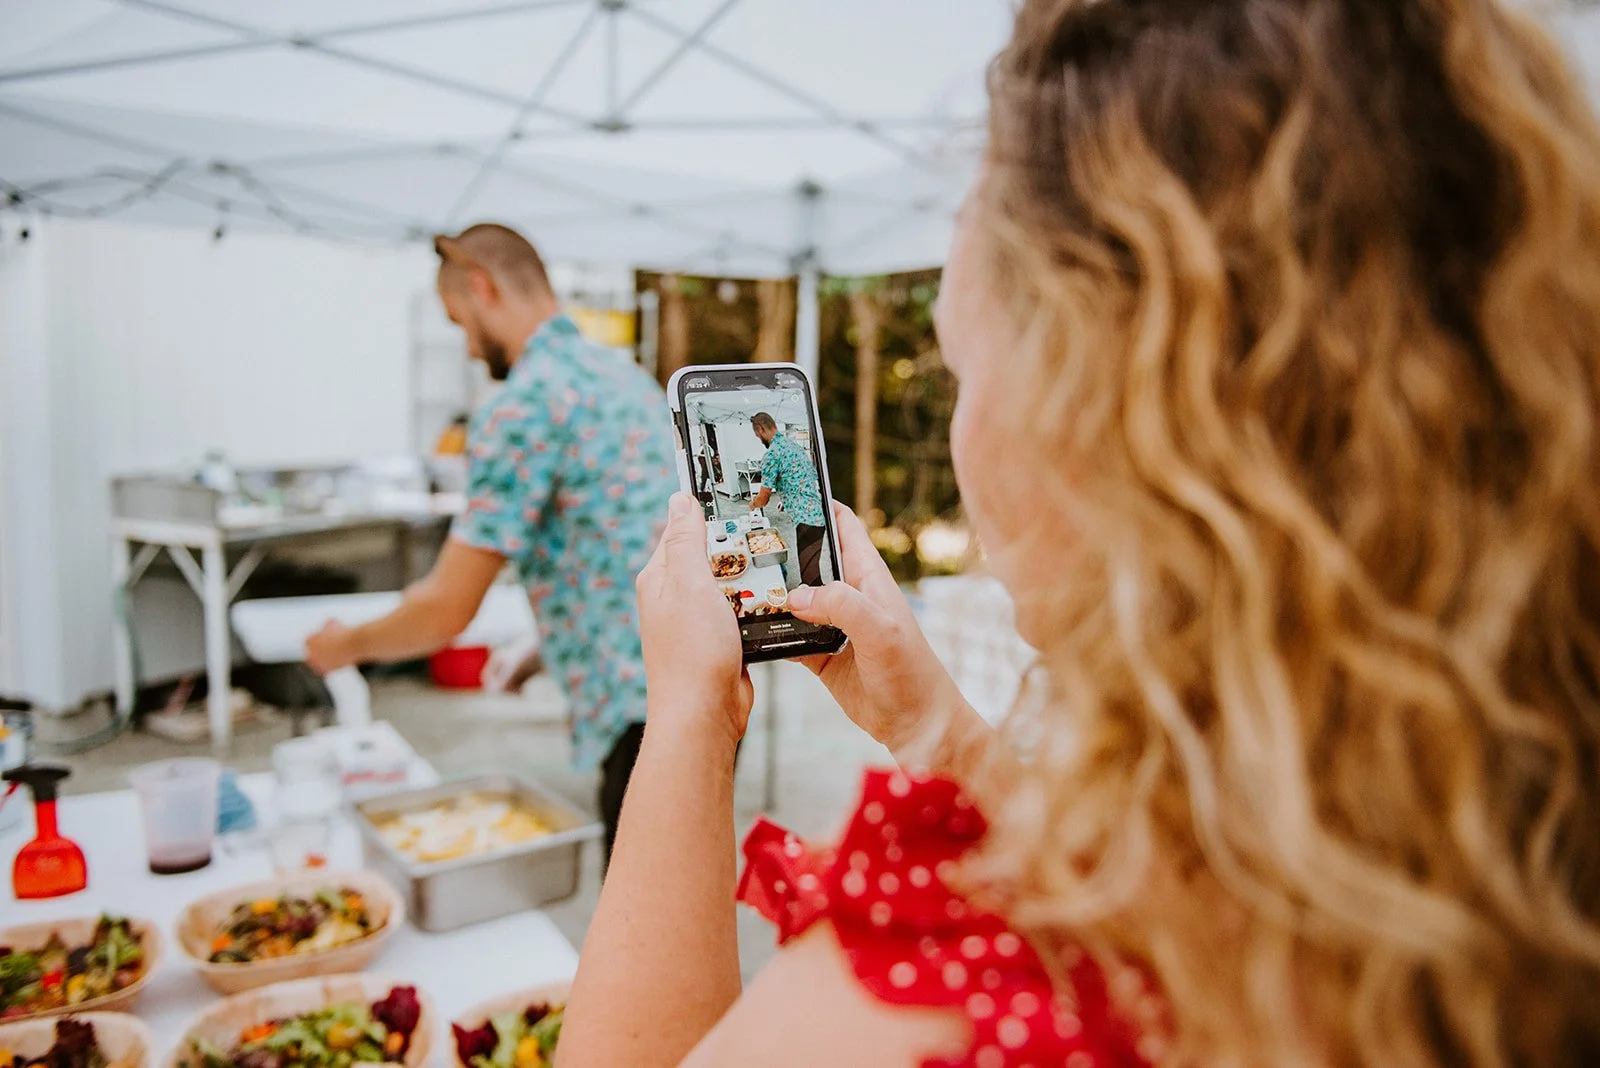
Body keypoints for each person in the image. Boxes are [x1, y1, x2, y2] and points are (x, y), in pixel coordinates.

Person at [557, 0, 1600, 1065]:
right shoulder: (1501, 845)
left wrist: (690, 717)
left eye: (962, 371)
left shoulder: (959, 975)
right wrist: (941, 733)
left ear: (1085, 418)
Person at [305, 223, 677, 863]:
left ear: (481, 289)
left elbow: (446, 610)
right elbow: (623, 546)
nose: (471, 350)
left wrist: (347, 646)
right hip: (695, 678)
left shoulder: (523, 405)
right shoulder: (625, 379)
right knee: (678, 896)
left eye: (459, 324)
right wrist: (545, 647)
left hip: (641, 718)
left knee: (642, 915)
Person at [749, 412, 828, 586]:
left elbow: (763, 499)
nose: (759, 439)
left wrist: (753, 503)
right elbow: (800, 477)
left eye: (757, 435)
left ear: (760, 429)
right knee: (811, 571)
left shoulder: (772, 454)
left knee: (810, 580)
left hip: (806, 521)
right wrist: (786, 500)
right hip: (816, 514)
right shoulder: (793, 446)